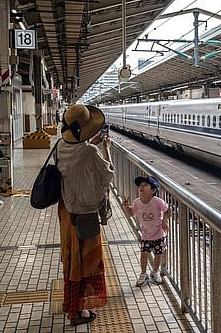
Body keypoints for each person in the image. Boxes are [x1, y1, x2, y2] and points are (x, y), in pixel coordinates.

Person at [56, 104, 115, 326]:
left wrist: (91, 145)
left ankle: (69, 303)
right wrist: (105, 149)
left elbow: (75, 161)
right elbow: (108, 175)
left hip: (66, 213)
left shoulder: (60, 146)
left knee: (71, 260)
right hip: (85, 215)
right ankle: (77, 311)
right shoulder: (90, 151)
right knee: (85, 265)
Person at [123, 176, 171, 286]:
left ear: (153, 190)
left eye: (145, 185)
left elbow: (167, 210)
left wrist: (164, 221)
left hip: (159, 233)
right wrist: (126, 206)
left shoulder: (157, 202)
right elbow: (131, 214)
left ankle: (155, 271)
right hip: (146, 234)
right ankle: (143, 273)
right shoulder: (136, 203)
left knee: (158, 254)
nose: (141, 187)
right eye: (140, 185)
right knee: (144, 253)